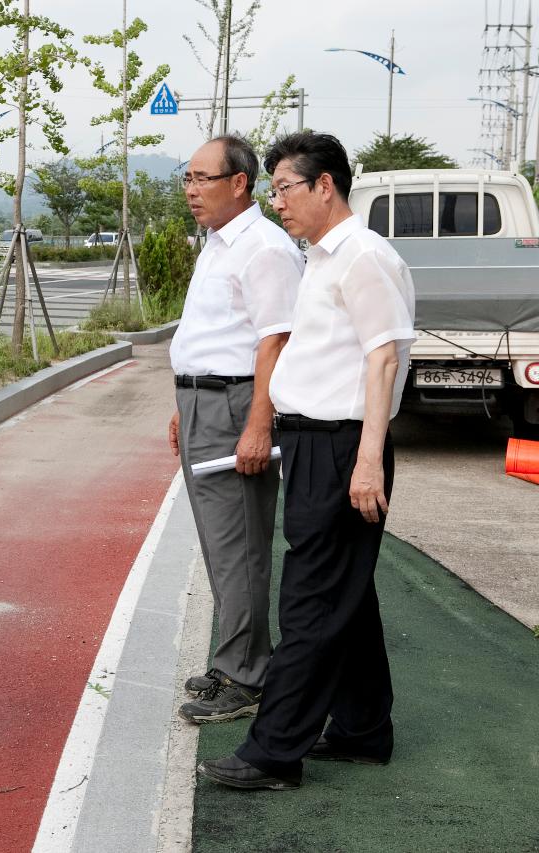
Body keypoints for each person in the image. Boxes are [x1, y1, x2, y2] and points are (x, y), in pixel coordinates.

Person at [198, 131, 415, 790]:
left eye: (286, 187)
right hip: (319, 441)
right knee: (346, 593)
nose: (277, 201)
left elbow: (383, 357)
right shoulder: (323, 257)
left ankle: (273, 752)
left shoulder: (363, 258)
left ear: (325, 185)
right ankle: (362, 727)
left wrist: (369, 460)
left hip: (345, 442)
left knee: (309, 601)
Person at [169, 134, 303, 724]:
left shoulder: (265, 248)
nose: (192, 190)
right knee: (220, 544)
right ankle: (235, 660)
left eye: (203, 179)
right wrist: (185, 398)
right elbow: (215, 331)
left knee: (240, 544)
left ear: (239, 183)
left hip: (237, 406)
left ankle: (247, 675)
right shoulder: (220, 243)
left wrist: (257, 424)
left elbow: (277, 339)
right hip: (206, 401)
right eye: (188, 179)